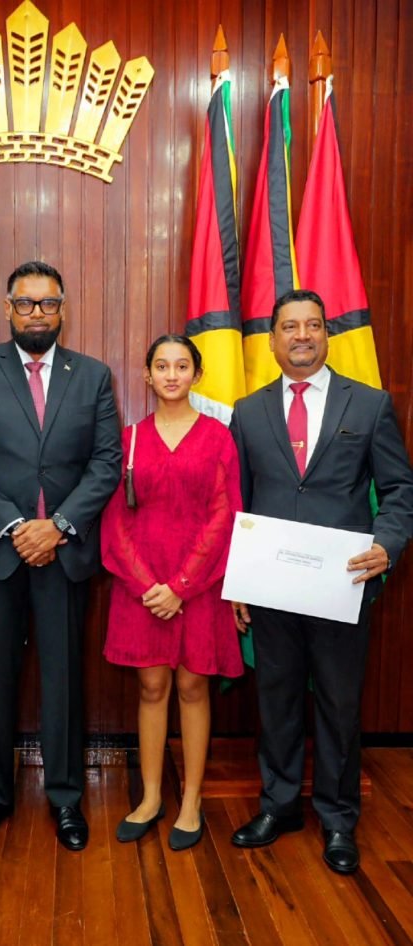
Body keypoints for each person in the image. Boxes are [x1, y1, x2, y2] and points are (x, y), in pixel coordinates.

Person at [229, 288, 413, 874]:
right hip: (271, 589)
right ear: (274, 339)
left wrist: (387, 545)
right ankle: (279, 805)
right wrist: (237, 582)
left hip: (342, 586)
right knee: (276, 700)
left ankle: (337, 819)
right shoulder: (249, 410)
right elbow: (239, 502)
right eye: (289, 327)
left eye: (312, 325)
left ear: (327, 334)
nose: (301, 335)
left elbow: (401, 491)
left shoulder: (370, 405)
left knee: (338, 705)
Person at [0, 260, 122, 852]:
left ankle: (66, 798)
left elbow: (105, 462)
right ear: (8, 308)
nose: (38, 314)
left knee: (63, 678)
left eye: (48, 304)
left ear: (62, 309)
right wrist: (20, 528)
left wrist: (60, 527)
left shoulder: (93, 376)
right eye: (26, 303)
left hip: (65, 553)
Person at [101, 335, 243, 850]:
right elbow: (114, 522)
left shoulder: (218, 438)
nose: (172, 374)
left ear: (197, 375)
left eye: (182, 365)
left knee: (192, 689)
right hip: (142, 590)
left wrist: (181, 586)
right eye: (161, 365)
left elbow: (225, 514)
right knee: (152, 689)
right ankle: (152, 796)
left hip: (199, 588)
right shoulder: (130, 438)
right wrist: (149, 587)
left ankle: (192, 801)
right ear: (146, 375)